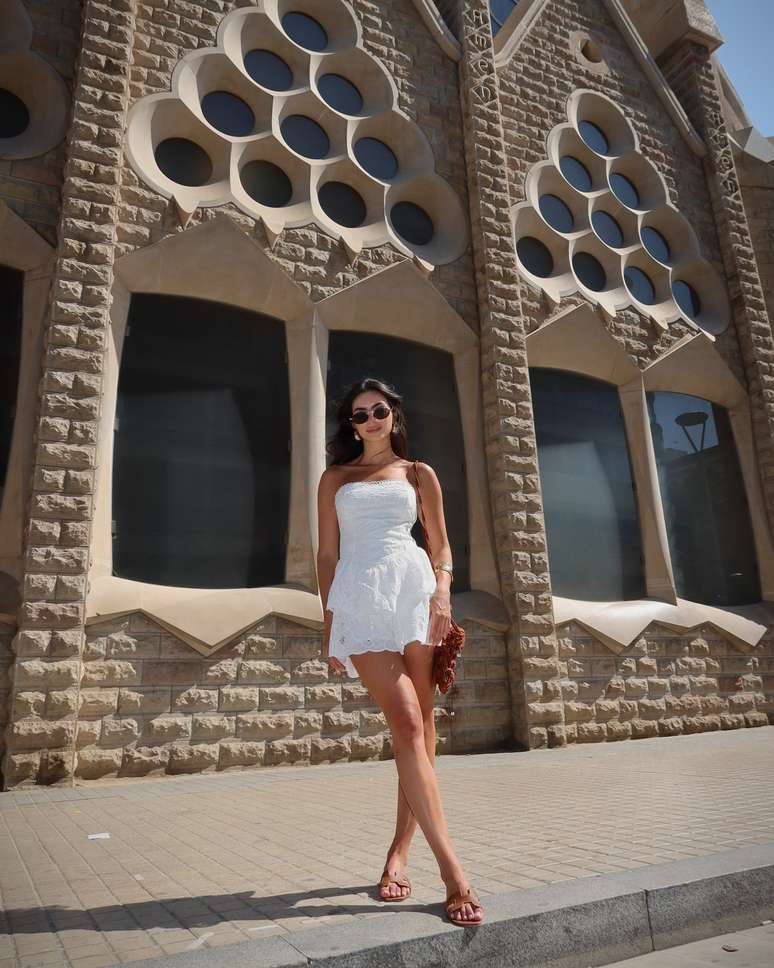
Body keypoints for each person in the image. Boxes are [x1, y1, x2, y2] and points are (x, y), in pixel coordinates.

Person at [316, 377, 484, 927]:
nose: (370, 421)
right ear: (350, 425)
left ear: (394, 415)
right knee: (408, 722)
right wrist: (330, 621)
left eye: (378, 411)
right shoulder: (335, 478)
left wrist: (443, 592)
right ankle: (454, 873)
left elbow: (440, 542)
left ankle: (398, 853)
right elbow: (326, 554)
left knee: (423, 731)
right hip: (360, 598)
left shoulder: (418, 473)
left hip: (415, 594)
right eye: (359, 415)